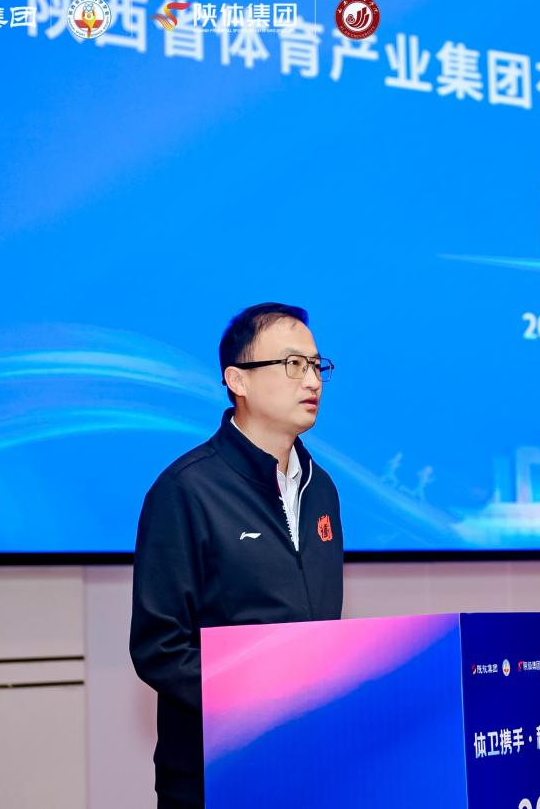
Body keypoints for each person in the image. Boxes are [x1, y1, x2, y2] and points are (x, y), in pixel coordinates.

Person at [130, 302, 345, 808]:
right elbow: (160, 648)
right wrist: (259, 698)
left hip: (308, 760)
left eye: (317, 366)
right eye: (293, 364)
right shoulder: (186, 489)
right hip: (217, 770)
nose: (312, 380)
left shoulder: (322, 490)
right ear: (237, 379)